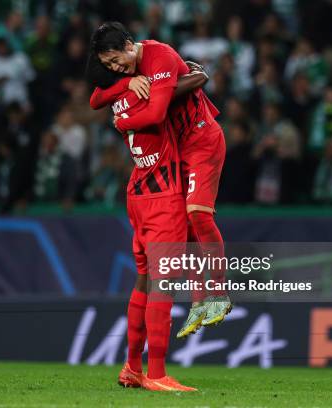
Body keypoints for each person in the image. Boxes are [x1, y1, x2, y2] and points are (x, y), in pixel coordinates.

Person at [90, 22, 230, 341]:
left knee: (198, 214)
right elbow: (96, 98)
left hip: (201, 138)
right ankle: (198, 300)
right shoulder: (131, 71)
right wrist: (127, 84)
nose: (115, 68)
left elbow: (154, 115)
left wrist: (122, 122)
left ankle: (219, 292)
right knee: (187, 227)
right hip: (177, 148)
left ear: (129, 45)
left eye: (115, 61)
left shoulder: (160, 56)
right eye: (108, 65)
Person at [88, 53, 207, 391]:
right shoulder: (144, 95)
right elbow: (166, 100)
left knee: (144, 280)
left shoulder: (117, 94)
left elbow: (96, 97)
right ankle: (156, 373)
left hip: (138, 191)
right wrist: (198, 75)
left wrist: (124, 84)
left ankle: (131, 367)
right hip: (162, 195)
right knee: (163, 283)